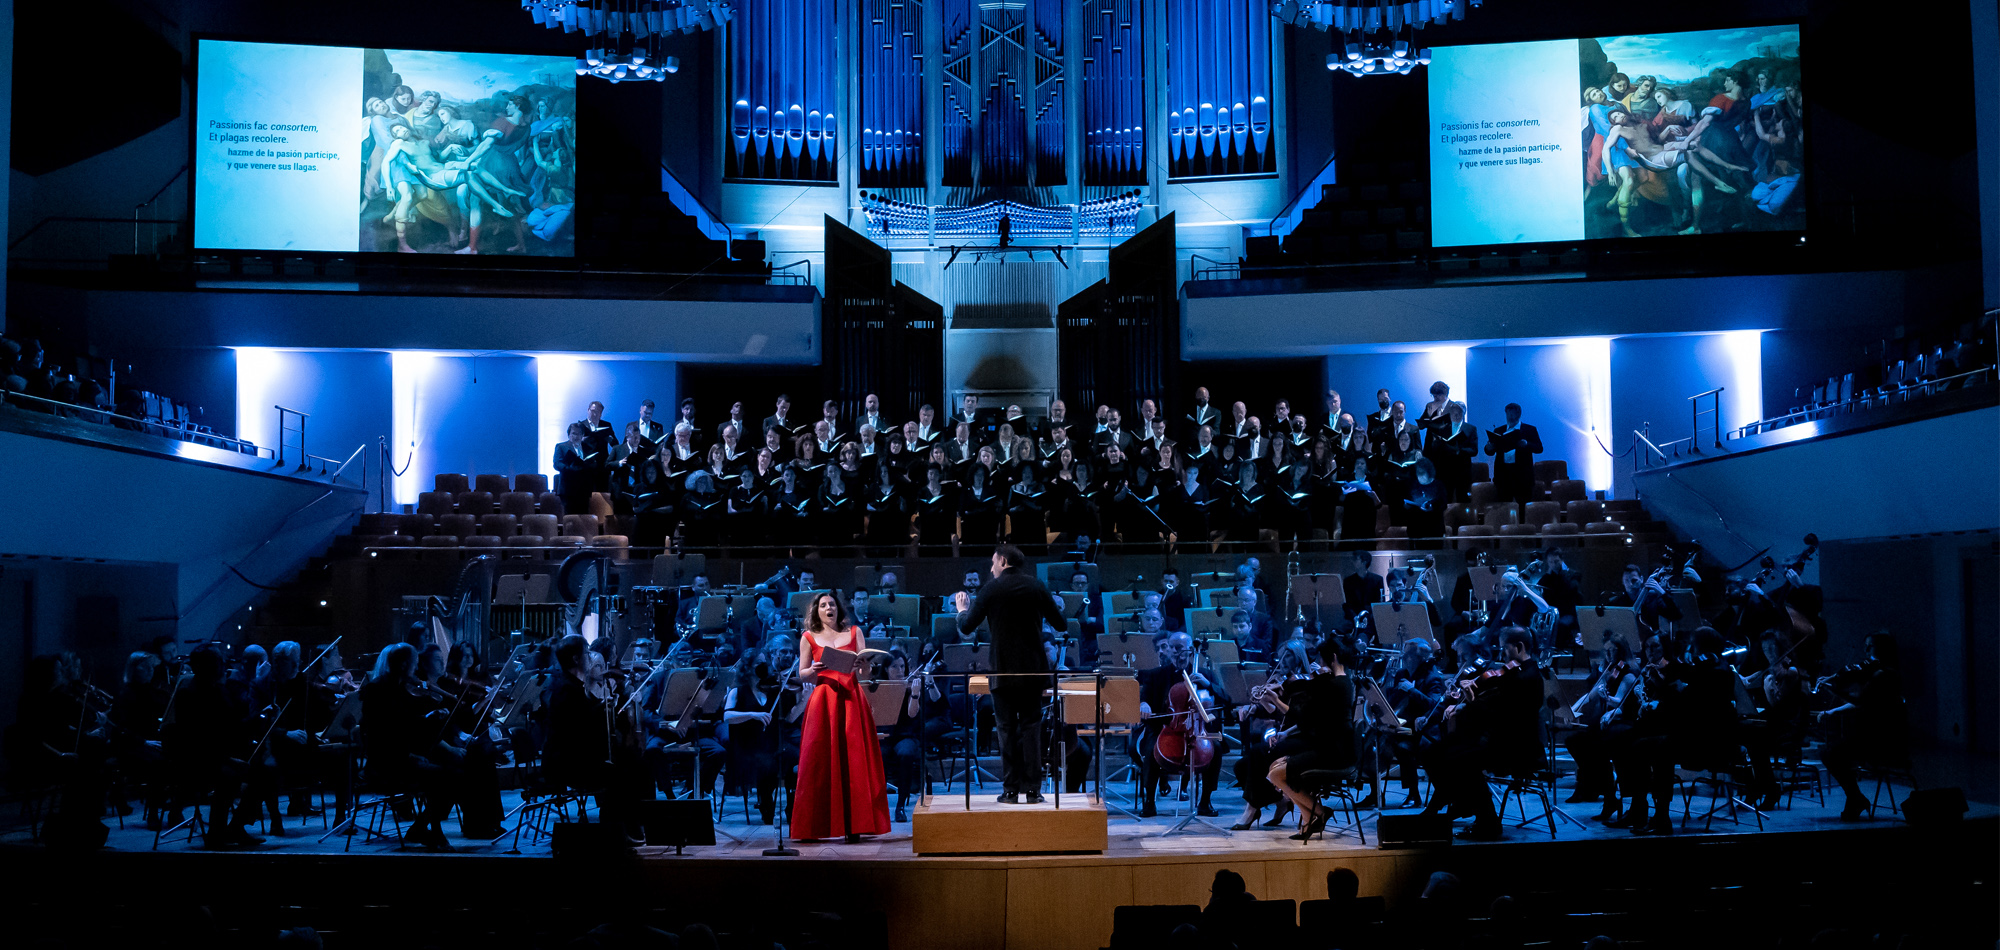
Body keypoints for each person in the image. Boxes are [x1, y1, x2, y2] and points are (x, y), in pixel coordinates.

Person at [953, 545, 1066, 803]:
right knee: (1031, 729)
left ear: (1003, 561)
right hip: (1033, 671)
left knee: (1006, 730)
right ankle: (1034, 791)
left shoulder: (991, 588)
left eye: (993, 563)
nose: (991, 568)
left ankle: (1010, 790)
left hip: (1002, 671)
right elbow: (1060, 624)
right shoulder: (1036, 586)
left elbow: (968, 627)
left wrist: (960, 611)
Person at [1421, 627, 1545, 840]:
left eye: (1505, 648)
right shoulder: (1516, 673)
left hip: (1516, 747)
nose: (1502, 653)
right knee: (1434, 753)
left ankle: (1487, 821)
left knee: (1459, 759)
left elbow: (1498, 714)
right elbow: (1494, 700)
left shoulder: (1526, 677)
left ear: (1519, 647)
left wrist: (1471, 702)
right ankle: (1461, 802)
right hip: (1500, 739)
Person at [790, 592, 892, 840]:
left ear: (839, 608)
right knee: (818, 759)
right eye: (823, 605)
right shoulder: (808, 637)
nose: (828, 608)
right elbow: (802, 674)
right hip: (823, 700)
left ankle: (854, 825)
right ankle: (814, 826)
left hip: (851, 698)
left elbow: (865, 670)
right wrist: (812, 670)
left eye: (832, 604)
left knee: (854, 759)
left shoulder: (854, 632)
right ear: (816, 611)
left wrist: (863, 665)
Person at [1266, 636, 1360, 840]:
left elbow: (1304, 717)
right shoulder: (1344, 682)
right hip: (1334, 748)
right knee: (1276, 766)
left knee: (1275, 775)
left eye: (1323, 660)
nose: (1320, 665)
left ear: (1332, 658)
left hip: (1334, 754)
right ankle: (1309, 820)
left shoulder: (1332, 686)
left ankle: (1320, 812)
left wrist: (1276, 699)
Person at [1815, 633, 1907, 821]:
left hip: (1881, 741)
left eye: (1870, 646)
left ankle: (1855, 798)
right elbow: (1864, 701)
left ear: (1882, 649)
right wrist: (1833, 711)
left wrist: (1834, 689)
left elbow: (1860, 700)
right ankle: (1855, 798)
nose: (1865, 651)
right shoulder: (1879, 673)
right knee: (1832, 751)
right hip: (1873, 736)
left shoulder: (1885, 675)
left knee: (1830, 753)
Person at [1136, 631, 1224, 817]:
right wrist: (1143, 704)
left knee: (1215, 748)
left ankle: (1205, 801)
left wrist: (1208, 685)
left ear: (1190, 650)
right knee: (1152, 750)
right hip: (1165, 728)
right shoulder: (1156, 675)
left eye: (1180, 648)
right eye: (1172, 648)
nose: (1176, 653)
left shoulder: (1204, 674)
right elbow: (1144, 699)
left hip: (1198, 730)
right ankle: (1150, 801)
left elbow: (1226, 699)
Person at [1482, 403, 1543, 506]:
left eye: (1512, 414)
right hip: (1503, 475)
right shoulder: (1499, 430)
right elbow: (1490, 451)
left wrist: (1526, 444)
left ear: (1519, 414)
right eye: (1508, 414)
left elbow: (1539, 448)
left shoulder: (1529, 430)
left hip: (1522, 476)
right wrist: (1489, 447)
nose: (1510, 416)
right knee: (1504, 508)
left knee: (1524, 507)